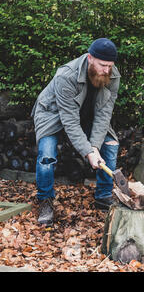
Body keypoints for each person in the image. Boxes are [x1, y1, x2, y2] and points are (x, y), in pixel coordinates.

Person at [31, 38, 121, 225]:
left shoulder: (113, 76)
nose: (106, 70)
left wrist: (95, 146)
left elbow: (104, 114)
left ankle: (103, 196)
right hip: (52, 113)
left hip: (87, 114)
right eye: (103, 65)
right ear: (90, 58)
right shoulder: (66, 75)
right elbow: (69, 121)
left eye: (110, 65)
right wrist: (88, 152)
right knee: (46, 156)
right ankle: (45, 200)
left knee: (110, 145)